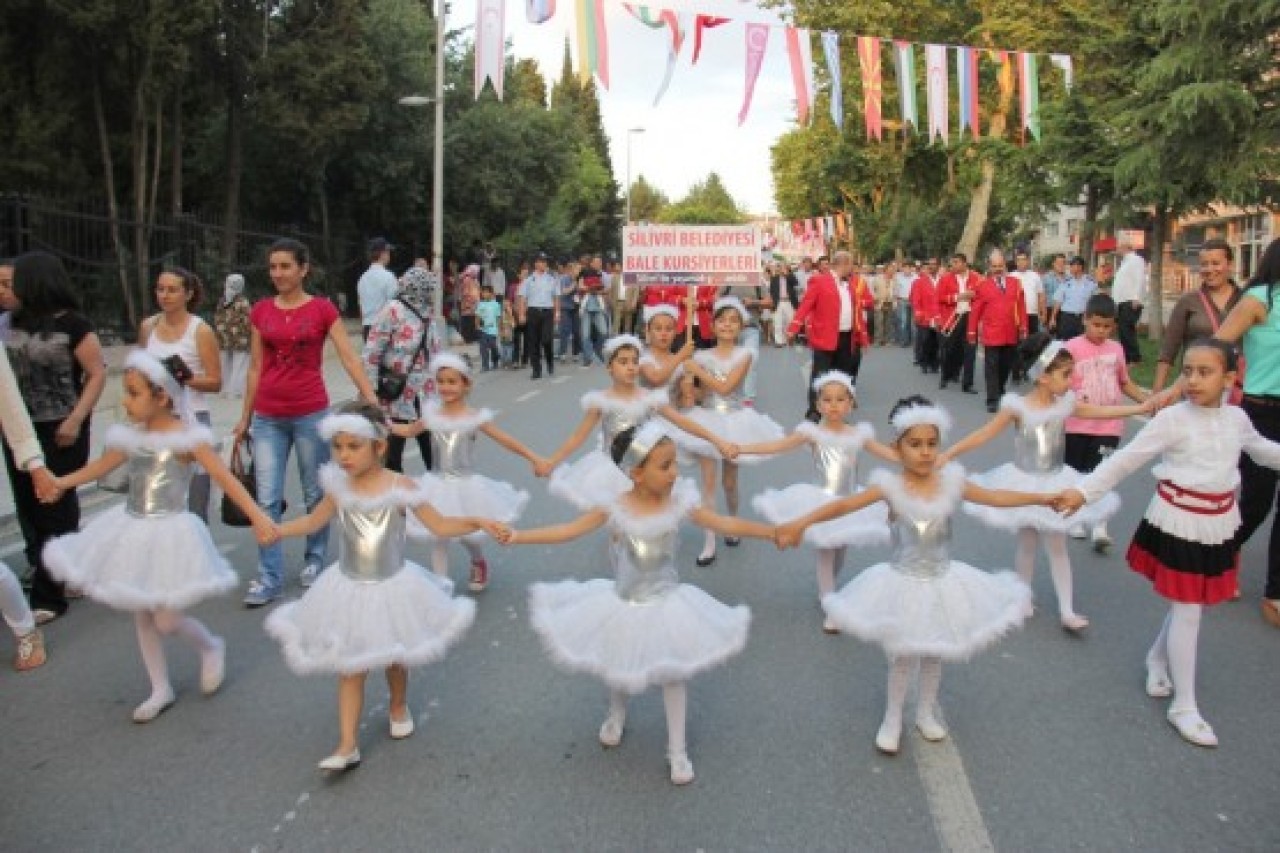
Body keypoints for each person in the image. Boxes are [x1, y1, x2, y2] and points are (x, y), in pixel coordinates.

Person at [498, 422, 780, 785]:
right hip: (624, 603)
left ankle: (677, 750)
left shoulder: (680, 505)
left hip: (668, 603)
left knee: (673, 674)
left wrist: (772, 532)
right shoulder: (614, 509)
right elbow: (566, 531)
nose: (675, 473)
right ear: (636, 473)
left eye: (675, 463)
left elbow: (725, 522)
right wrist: (518, 536)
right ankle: (616, 713)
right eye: (665, 466)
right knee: (619, 660)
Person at [777, 397, 1045, 755]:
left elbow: (995, 497)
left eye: (932, 444)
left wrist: (1046, 497)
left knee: (935, 651)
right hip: (903, 579)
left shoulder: (952, 482)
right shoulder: (889, 487)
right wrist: (800, 522)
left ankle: (925, 712)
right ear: (897, 448)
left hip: (943, 579)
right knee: (902, 656)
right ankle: (892, 718)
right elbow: (842, 504)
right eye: (915, 444)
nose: (924, 452)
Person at [1058, 340, 1280, 747]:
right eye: (1188, 371)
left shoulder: (1237, 419)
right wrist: (1083, 492)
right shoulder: (1173, 418)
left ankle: (1157, 658)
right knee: (1190, 609)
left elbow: (1265, 452)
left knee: (1189, 603)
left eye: (1204, 372)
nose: (1193, 380)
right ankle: (1185, 706)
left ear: (1230, 379)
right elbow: (1128, 459)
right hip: (1179, 521)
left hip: (1218, 524)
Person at [42, 352, 273, 722]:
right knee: (142, 613)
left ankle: (210, 646)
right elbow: (101, 467)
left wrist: (259, 518)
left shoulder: (187, 439)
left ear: (162, 397)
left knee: (165, 620)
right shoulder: (132, 436)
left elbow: (226, 480)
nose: (125, 401)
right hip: (132, 526)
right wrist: (61, 482)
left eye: (133, 393)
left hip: (169, 531)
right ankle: (159, 687)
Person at [264, 403, 496, 771]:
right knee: (350, 666)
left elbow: (440, 525)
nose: (344, 456)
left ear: (379, 446)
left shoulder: (400, 487)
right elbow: (313, 521)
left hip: (392, 585)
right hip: (348, 586)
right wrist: (278, 530)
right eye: (338, 447)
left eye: (354, 446)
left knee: (394, 655)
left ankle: (397, 703)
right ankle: (347, 744)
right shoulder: (337, 487)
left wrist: (478, 520)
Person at [942, 333, 1148, 631]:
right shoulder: (1017, 407)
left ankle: (1067, 610)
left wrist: (1137, 409)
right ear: (1042, 377)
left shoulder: (1064, 404)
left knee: (1057, 545)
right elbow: (985, 433)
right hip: (1023, 483)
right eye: (1066, 375)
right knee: (1027, 543)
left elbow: (1098, 411)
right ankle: (1022, 599)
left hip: (1056, 481)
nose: (1072, 381)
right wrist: (950, 452)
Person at [233, 238, 379, 607]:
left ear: (303, 269)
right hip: (267, 416)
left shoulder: (322, 310)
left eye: (285, 266)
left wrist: (371, 399)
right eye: (273, 267)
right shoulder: (261, 312)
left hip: (310, 411)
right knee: (266, 499)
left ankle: (314, 561)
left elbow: (348, 357)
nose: (278, 273)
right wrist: (244, 418)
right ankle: (269, 576)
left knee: (315, 492)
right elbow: (254, 368)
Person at [3, 251, 107, 624]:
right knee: (29, 506)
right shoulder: (10, 323)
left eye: (13, 282)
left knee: (54, 505)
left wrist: (76, 419)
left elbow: (96, 374)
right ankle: (62, 571)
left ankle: (49, 596)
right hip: (19, 429)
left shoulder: (75, 325)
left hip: (62, 427)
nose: (7, 289)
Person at [746, 372, 894, 632]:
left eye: (840, 400)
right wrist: (742, 447)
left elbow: (888, 454)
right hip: (820, 503)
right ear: (818, 405)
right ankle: (831, 605)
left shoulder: (859, 434)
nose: (834, 405)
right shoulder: (812, 433)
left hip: (850, 502)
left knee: (840, 554)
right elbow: (777, 446)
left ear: (851, 404)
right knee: (826, 553)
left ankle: (829, 590)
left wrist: (922, 462)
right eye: (827, 400)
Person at [399, 354, 542, 592]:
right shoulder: (431, 415)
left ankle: (478, 561)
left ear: (466, 384)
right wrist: (380, 426)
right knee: (438, 535)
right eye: (441, 381)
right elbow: (407, 430)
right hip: (435, 483)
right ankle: (441, 588)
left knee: (468, 535)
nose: (445, 387)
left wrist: (534, 457)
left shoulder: (475, 418)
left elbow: (506, 440)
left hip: (465, 486)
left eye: (452, 381)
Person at [541, 334, 734, 508]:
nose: (631, 367)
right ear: (610, 367)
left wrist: (717, 440)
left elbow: (682, 422)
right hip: (613, 469)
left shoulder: (649, 398)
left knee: (645, 516)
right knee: (617, 518)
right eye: (623, 362)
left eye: (634, 361)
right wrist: (552, 461)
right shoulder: (601, 401)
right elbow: (578, 437)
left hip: (645, 469)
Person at [1207, 237, 1280, 626]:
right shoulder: (1258, 300)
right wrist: (1194, 385)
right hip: (1262, 412)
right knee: (1256, 500)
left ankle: (1275, 591)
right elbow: (1218, 345)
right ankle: (1224, 552)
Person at [683, 299, 785, 566]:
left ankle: (731, 522)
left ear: (740, 327)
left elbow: (726, 388)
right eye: (721, 320)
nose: (727, 325)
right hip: (707, 421)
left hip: (735, 422)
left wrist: (696, 370)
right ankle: (709, 541)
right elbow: (701, 394)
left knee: (729, 483)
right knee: (707, 482)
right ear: (713, 326)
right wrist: (686, 382)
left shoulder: (745, 355)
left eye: (733, 320)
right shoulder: (701, 356)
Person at [1062, 294, 1149, 550]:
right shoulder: (1071, 348)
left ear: (1113, 325)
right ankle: (1075, 518)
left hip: (1109, 425)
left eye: (1107, 326)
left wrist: (1145, 402)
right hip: (1076, 424)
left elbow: (1124, 382)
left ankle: (1100, 524)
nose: (1101, 331)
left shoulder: (1116, 349)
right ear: (1085, 320)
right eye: (1096, 324)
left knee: (1103, 473)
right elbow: (1059, 383)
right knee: (1075, 474)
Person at [139, 268, 222, 523]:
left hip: (191, 418)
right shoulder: (148, 327)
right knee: (156, 502)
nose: (165, 295)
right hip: (156, 422)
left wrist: (184, 379)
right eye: (160, 289)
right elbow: (138, 370)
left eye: (172, 290)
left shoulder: (201, 331)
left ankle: (196, 555)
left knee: (194, 506)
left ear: (188, 294)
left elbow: (215, 382)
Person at [362, 266, 439, 474]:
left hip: (424, 392)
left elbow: (433, 349)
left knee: (433, 450)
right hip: (396, 391)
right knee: (393, 452)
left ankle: (437, 493)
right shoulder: (392, 310)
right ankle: (395, 496)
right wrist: (371, 390)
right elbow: (372, 352)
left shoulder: (428, 312)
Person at [787, 252, 870, 421]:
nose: (852, 269)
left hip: (847, 337)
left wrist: (863, 338)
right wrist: (793, 327)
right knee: (820, 376)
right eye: (851, 265)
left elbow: (857, 314)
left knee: (842, 376)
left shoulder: (851, 285)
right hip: (824, 337)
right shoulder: (819, 281)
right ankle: (814, 410)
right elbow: (806, 305)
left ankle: (838, 410)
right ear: (844, 264)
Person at [1152, 239, 1242, 393]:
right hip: (1195, 387)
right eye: (1204, 264)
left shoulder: (1246, 300)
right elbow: (1168, 350)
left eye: (1215, 263)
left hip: (1236, 388)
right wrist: (1157, 391)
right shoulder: (1188, 301)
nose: (1209, 269)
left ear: (1230, 264)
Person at [967, 249, 1027, 412]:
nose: (998, 269)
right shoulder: (982, 285)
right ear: (990, 267)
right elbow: (976, 311)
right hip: (991, 333)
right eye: (994, 266)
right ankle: (992, 399)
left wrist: (1023, 326)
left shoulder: (1016, 283)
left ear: (1005, 265)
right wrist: (971, 332)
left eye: (1000, 265)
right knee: (991, 366)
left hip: (1010, 333)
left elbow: (1021, 306)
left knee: (1005, 366)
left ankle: (1000, 389)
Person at [718, 277, 772, 404]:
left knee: (751, 361)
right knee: (730, 364)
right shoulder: (728, 281)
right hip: (729, 330)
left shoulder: (757, 282)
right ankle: (729, 393)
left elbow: (769, 302)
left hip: (750, 329)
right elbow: (716, 299)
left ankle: (748, 399)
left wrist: (753, 303)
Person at [936, 254, 978, 393]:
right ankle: (945, 376)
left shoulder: (976, 277)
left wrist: (974, 296)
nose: (953, 265)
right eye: (952, 262)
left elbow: (983, 295)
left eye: (956, 262)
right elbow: (939, 297)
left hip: (970, 317)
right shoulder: (945, 278)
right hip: (952, 317)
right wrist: (956, 297)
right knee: (948, 348)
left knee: (970, 350)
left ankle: (968, 383)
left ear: (965, 263)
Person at [516, 253, 559, 380]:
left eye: (545, 262)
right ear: (535, 264)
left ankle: (550, 361)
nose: (543, 264)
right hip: (533, 312)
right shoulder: (528, 280)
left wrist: (557, 313)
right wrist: (521, 314)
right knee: (533, 342)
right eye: (540, 261)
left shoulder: (552, 279)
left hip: (547, 312)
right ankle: (536, 369)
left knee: (546, 340)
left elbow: (556, 297)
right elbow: (522, 298)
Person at [1010, 250, 1046, 381]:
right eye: (1018, 259)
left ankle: (1028, 370)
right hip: (1017, 316)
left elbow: (1041, 295)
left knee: (1032, 344)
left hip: (1032, 314)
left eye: (1024, 259)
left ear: (1028, 260)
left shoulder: (1035, 276)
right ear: (1015, 262)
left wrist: (1043, 312)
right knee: (1017, 344)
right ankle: (1016, 371)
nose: (1021, 262)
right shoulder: (1011, 276)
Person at [215, 273, 252, 398]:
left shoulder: (223, 300)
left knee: (225, 362)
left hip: (224, 336)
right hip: (240, 338)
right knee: (240, 364)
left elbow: (218, 318)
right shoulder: (243, 302)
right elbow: (248, 321)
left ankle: (224, 389)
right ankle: (236, 390)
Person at [1113, 237, 1147, 364]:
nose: (1117, 249)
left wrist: (1136, 297)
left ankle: (1135, 357)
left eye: (1118, 247)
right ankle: (1127, 356)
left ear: (1125, 247)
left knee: (1127, 329)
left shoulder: (1136, 260)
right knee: (1123, 330)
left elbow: (1139, 279)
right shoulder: (1125, 262)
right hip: (1122, 301)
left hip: (1130, 301)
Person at [1047, 257, 1097, 341]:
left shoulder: (1090, 282)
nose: (1072, 268)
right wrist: (1053, 318)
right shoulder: (1066, 282)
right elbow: (1058, 301)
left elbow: (1095, 301)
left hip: (1084, 318)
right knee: (1066, 343)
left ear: (1081, 267)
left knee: (1083, 342)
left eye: (1075, 265)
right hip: (1067, 318)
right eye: (1071, 266)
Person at [357, 238, 397, 341]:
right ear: (382, 254)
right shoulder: (389, 277)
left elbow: (361, 308)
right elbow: (394, 306)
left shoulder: (362, 278)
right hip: (384, 329)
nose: (389, 255)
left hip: (367, 328)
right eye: (388, 252)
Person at [910, 259, 941, 373]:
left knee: (936, 341)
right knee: (925, 340)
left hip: (938, 317)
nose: (932, 267)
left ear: (938, 266)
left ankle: (934, 363)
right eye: (930, 265)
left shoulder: (942, 280)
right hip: (925, 316)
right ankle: (924, 362)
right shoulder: (920, 282)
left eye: (934, 264)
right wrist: (918, 311)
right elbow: (916, 299)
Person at [579, 256, 610, 367]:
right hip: (586, 306)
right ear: (591, 263)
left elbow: (606, 289)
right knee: (585, 334)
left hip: (598, 306)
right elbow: (580, 286)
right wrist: (590, 288)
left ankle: (597, 349)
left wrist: (598, 291)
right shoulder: (583, 272)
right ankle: (588, 357)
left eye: (600, 262)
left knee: (604, 331)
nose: (599, 264)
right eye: (597, 262)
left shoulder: (601, 275)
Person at [767, 261, 799, 347]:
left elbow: (795, 283)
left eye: (783, 267)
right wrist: (772, 302)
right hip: (778, 302)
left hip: (789, 302)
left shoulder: (791, 276)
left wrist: (786, 274)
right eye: (780, 267)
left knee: (789, 322)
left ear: (787, 268)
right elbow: (772, 290)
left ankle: (788, 339)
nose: (781, 269)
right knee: (777, 322)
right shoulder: (774, 278)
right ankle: (779, 341)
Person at [556, 259, 582, 363]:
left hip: (576, 307)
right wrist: (574, 285)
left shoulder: (579, 279)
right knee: (565, 331)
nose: (578, 272)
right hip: (565, 308)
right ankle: (562, 353)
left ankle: (576, 353)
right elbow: (564, 292)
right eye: (577, 270)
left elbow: (580, 293)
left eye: (579, 270)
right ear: (571, 270)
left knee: (577, 331)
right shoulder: (564, 279)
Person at [474, 284, 502, 372]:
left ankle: (495, 360)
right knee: (483, 348)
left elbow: (498, 317)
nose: (484, 294)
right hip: (483, 330)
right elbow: (477, 316)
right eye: (483, 292)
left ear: (491, 293)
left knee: (493, 346)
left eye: (486, 292)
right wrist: (477, 326)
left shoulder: (496, 304)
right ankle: (485, 365)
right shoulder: (480, 304)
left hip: (493, 330)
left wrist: (499, 328)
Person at [610, 262, 640, 337]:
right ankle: (615, 342)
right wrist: (612, 302)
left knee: (628, 324)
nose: (616, 267)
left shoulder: (631, 276)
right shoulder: (615, 277)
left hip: (628, 302)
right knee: (616, 324)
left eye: (618, 266)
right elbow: (612, 290)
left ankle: (627, 341)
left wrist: (634, 303)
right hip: (618, 302)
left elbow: (636, 291)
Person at [892, 260, 917, 347]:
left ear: (911, 269)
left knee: (913, 322)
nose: (906, 270)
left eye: (908, 268)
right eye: (905, 268)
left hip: (913, 301)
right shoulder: (898, 277)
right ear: (902, 269)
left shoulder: (916, 277)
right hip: (902, 300)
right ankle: (904, 341)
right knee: (903, 321)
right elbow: (895, 289)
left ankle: (914, 341)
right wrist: (895, 301)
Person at [871, 264, 895, 346]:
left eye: (893, 270)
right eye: (890, 269)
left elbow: (896, 291)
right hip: (879, 303)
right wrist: (875, 298)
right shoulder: (877, 279)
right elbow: (871, 290)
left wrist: (894, 301)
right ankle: (878, 340)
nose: (892, 271)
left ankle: (887, 340)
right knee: (879, 322)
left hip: (890, 302)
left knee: (888, 322)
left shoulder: (895, 280)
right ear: (886, 270)